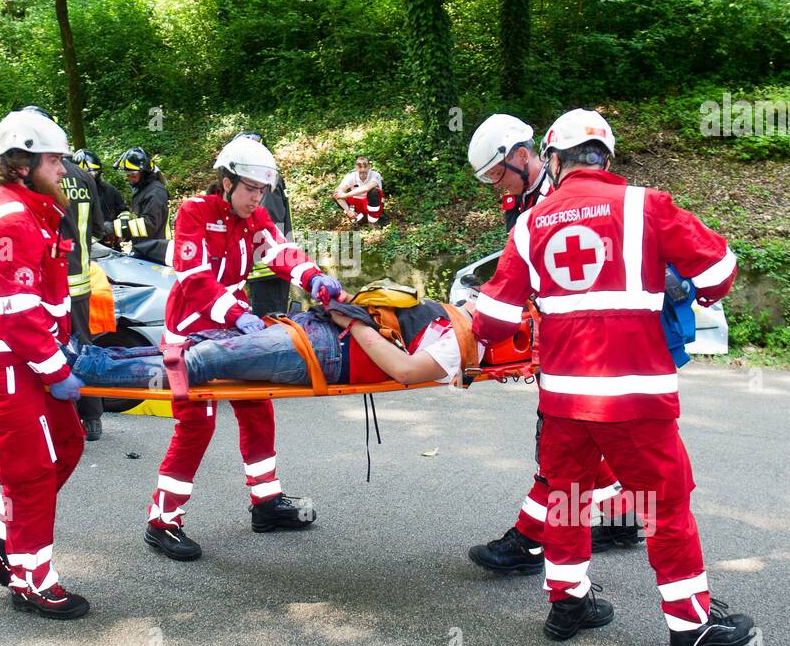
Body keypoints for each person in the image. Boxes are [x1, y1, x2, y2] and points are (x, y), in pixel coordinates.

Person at [471, 108, 755, 646]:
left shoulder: (530, 223)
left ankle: (567, 602)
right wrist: (683, 290)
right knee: (666, 506)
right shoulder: (648, 206)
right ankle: (690, 625)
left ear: (553, 159)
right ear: (607, 157)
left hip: (562, 397)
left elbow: (493, 320)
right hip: (635, 396)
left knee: (567, 497)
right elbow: (720, 272)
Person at [142, 135, 341, 562]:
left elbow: (281, 251)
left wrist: (313, 277)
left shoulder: (254, 217)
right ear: (226, 182)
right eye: (250, 189)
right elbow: (194, 279)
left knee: (258, 410)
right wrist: (236, 314)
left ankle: (266, 502)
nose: (257, 198)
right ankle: (162, 521)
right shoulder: (195, 213)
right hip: (192, 333)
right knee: (196, 427)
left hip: (233, 333)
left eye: (261, 190)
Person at [465, 114, 640, 574]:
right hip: (564, 337)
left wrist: (481, 330)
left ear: (524, 156)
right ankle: (620, 517)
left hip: (579, 342)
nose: (495, 185)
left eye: (497, 173)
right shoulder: (521, 200)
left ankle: (530, 540)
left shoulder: (566, 198)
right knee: (584, 432)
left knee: (559, 439)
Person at [0, 106, 90, 620]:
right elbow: (18, 317)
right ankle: (31, 580)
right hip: (3, 366)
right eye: (53, 160)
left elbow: (47, 304)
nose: (63, 169)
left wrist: (62, 357)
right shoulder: (10, 220)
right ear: (21, 164)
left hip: (27, 362)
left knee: (69, 446)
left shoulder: (35, 213)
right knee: (31, 475)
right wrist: (59, 373)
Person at [68, 296, 481, 391]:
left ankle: (89, 370)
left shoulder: (459, 345)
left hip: (325, 352)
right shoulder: (457, 312)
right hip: (318, 331)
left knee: (201, 361)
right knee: (198, 342)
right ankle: (89, 356)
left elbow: (405, 371)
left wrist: (354, 324)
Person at [60, 148, 110, 441]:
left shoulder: (34, 176)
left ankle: (59, 421)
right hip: (80, 279)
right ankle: (91, 418)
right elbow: (96, 228)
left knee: (48, 349)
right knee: (82, 345)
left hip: (47, 284)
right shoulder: (82, 176)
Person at [238, 133, 295, 316]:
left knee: (270, 328)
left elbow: (269, 224)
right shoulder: (267, 180)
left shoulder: (265, 182)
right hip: (266, 270)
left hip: (268, 271)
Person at [113, 146, 169, 263]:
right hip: (144, 249)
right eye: (127, 175)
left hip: (156, 253)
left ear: (144, 173)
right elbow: (139, 219)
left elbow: (150, 225)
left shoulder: (155, 192)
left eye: (133, 175)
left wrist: (118, 228)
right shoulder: (142, 190)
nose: (129, 179)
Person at [333, 156, 384, 225]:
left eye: (365, 166)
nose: (363, 169)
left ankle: (373, 222)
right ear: (356, 167)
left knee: (374, 192)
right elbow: (338, 190)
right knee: (336, 194)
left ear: (369, 166)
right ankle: (354, 216)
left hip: (370, 203)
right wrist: (348, 210)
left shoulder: (375, 175)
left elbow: (366, 188)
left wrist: (345, 195)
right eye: (360, 166)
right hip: (357, 204)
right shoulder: (351, 176)